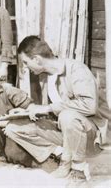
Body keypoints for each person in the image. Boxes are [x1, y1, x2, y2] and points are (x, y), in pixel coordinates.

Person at [6, 36, 111, 181]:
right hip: (65, 134)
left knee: (67, 116)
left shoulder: (76, 69)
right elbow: (48, 111)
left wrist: (47, 108)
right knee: (13, 128)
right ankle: (63, 156)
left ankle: (78, 171)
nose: (25, 67)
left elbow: (89, 106)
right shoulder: (44, 77)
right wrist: (26, 112)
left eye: (26, 62)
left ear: (37, 59)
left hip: (92, 138)